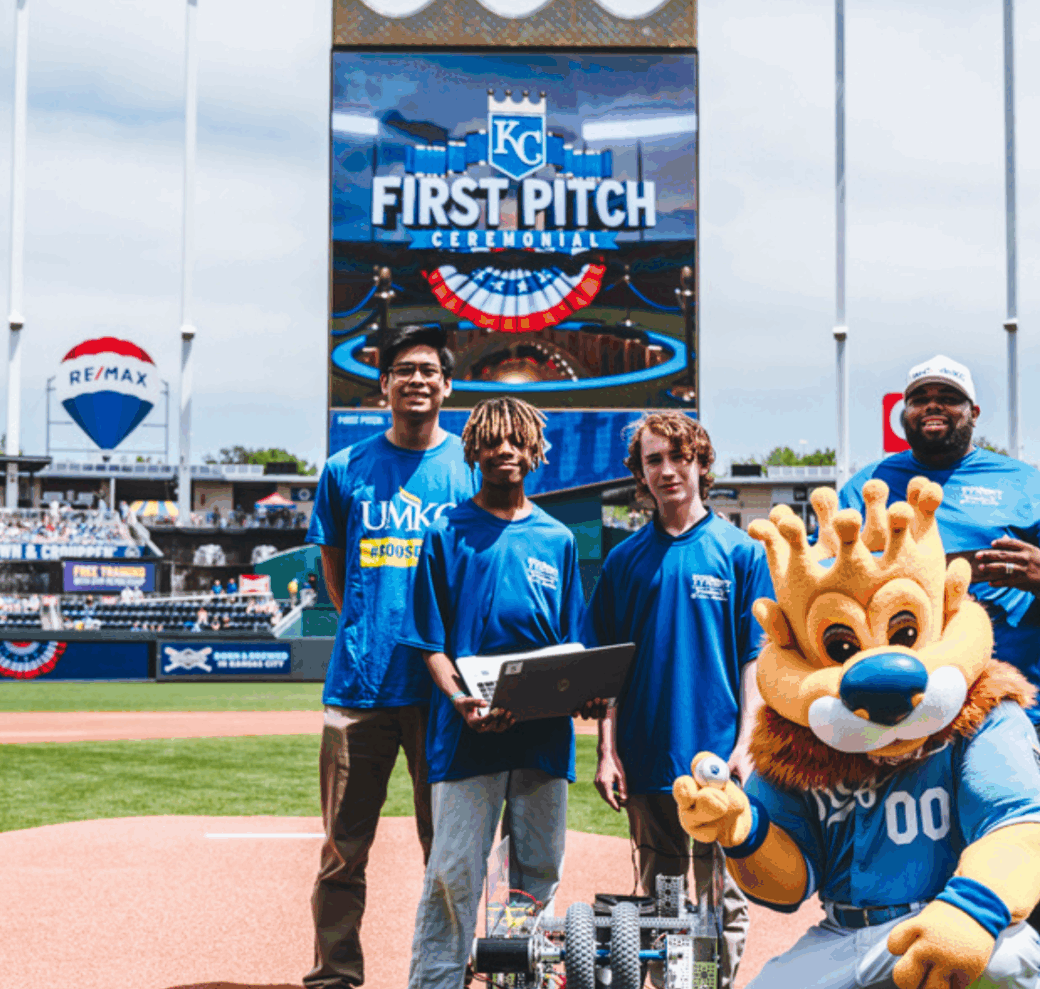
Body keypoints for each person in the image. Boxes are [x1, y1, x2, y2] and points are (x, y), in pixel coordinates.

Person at [835, 354, 1040, 989]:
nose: (934, 406)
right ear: (903, 411)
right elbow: (836, 590)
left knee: (1018, 885)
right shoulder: (869, 486)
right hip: (898, 717)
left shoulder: (1023, 484)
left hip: (1003, 714)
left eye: (948, 397)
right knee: (899, 888)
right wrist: (945, 570)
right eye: (921, 395)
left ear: (972, 414)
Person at [403, 397, 601, 989]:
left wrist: (586, 694)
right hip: (467, 733)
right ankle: (437, 981)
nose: (505, 451)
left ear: (535, 450)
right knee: (454, 872)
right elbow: (429, 643)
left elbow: (572, 644)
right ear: (474, 450)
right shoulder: (446, 531)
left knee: (536, 871)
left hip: (543, 737)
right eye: (491, 441)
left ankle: (511, 974)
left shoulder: (558, 538)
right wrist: (460, 699)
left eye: (517, 441)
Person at [304, 324, 479, 989]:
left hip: (442, 694)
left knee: (448, 851)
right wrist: (368, 627)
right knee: (342, 853)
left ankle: (446, 972)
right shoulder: (346, 468)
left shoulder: (468, 467)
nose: (417, 380)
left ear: (447, 385)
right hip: (360, 687)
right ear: (384, 384)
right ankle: (334, 976)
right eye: (404, 369)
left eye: (429, 370)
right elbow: (334, 565)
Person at [588, 412, 769, 987]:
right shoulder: (623, 561)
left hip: (719, 761)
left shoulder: (741, 553)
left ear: (701, 463)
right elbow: (607, 672)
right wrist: (606, 752)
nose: (667, 470)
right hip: (646, 758)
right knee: (660, 904)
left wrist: (747, 744)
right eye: (653, 460)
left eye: (678, 457)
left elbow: (755, 659)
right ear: (640, 474)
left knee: (723, 901)